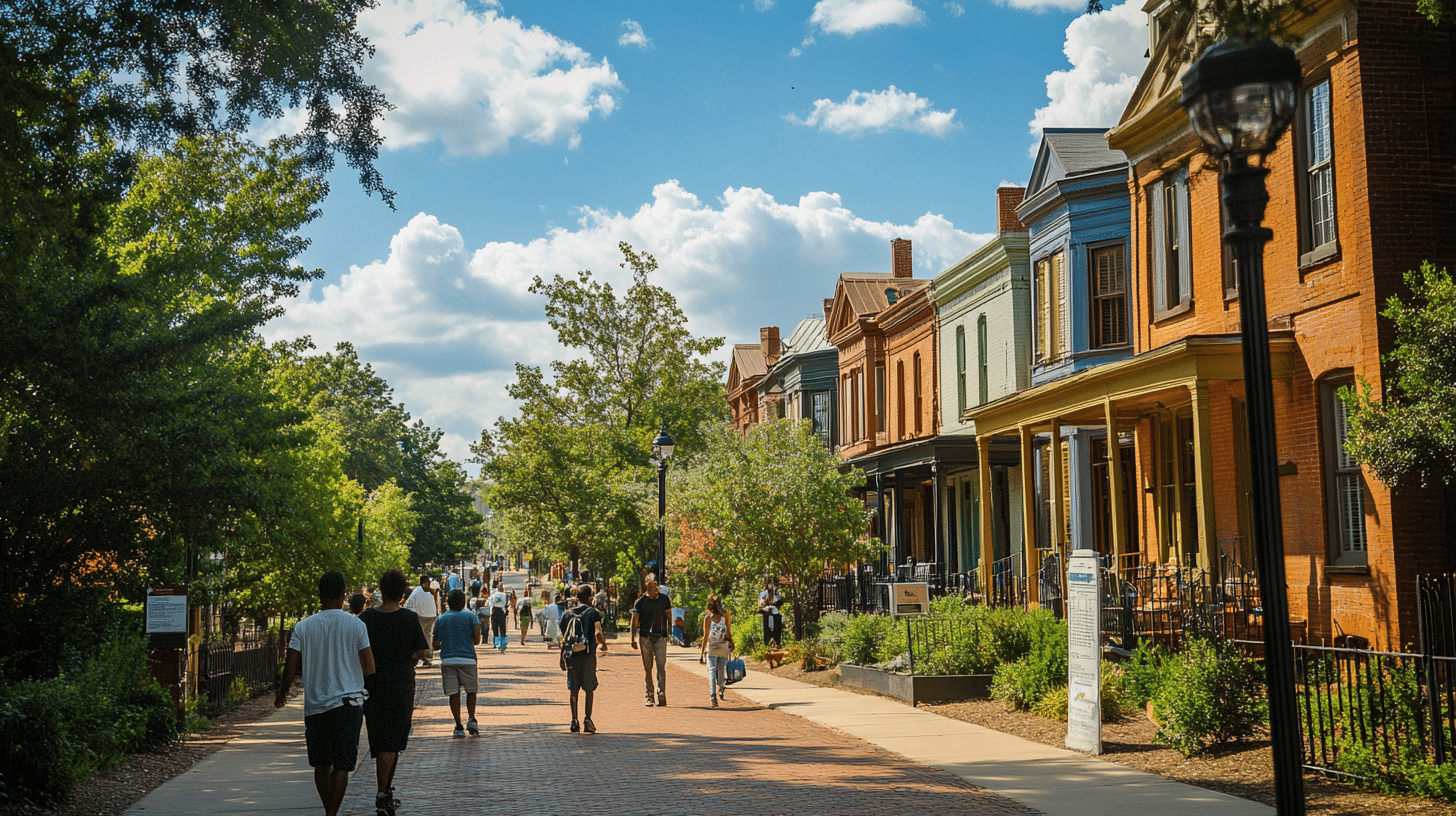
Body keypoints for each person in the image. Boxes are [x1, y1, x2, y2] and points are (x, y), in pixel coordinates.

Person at [274, 571, 374, 816]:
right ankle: (331, 814)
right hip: (348, 705)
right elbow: (370, 667)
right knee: (342, 765)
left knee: (321, 763)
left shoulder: (303, 627)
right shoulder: (356, 624)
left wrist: (282, 692)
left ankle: (329, 811)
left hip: (316, 706)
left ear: (319, 595)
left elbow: (290, 668)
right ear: (343, 594)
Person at [359, 569, 430, 816]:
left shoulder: (366, 618)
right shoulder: (409, 618)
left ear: (381, 590)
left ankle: (386, 791)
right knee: (394, 741)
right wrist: (410, 655)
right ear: (402, 594)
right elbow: (424, 652)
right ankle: (381, 793)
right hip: (401, 686)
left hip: (373, 686)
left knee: (381, 741)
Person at [432, 589, 483, 738]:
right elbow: (477, 638)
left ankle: (458, 725)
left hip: (448, 660)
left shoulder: (441, 619)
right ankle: (472, 719)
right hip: (468, 659)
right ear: (463, 602)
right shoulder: (471, 616)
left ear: (448, 602)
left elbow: (435, 643)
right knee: (471, 691)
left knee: (453, 693)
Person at [559, 583, 605, 733]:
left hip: (572, 656)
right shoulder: (593, 613)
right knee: (589, 688)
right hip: (588, 656)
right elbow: (598, 631)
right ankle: (588, 719)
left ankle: (574, 719)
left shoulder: (567, 614)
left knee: (573, 688)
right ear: (590, 597)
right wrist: (602, 644)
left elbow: (564, 638)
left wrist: (562, 657)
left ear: (577, 597)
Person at [631, 577, 672, 707]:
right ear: (646, 586)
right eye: (651, 584)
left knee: (661, 666)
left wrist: (668, 633)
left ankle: (661, 693)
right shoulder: (640, 602)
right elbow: (634, 620)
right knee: (648, 668)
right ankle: (649, 695)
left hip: (660, 637)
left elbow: (669, 616)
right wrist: (632, 638)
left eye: (655, 584)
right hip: (645, 638)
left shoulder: (664, 599)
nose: (654, 587)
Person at [698, 595, 733, 707]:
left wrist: (702, 652)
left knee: (712, 671)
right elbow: (728, 632)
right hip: (722, 646)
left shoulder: (708, 618)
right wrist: (732, 643)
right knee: (721, 669)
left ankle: (713, 694)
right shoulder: (724, 617)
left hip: (712, 647)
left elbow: (705, 636)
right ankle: (721, 689)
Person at [404, 575, 438, 667]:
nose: (429, 584)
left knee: (426, 636)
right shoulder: (418, 591)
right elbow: (409, 606)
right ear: (424, 583)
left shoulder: (426, 592)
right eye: (428, 582)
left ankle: (426, 656)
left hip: (427, 617)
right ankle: (423, 656)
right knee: (424, 636)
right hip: (422, 617)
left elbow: (408, 605)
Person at [758, 579, 784, 648]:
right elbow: (760, 603)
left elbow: (780, 602)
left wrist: (777, 603)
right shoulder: (763, 593)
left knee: (778, 622)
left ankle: (777, 641)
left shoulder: (777, 593)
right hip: (766, 611)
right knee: (766, 625)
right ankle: (767, 642)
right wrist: (765, 601)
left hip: (775, 611)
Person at [486, 582, 509, 651]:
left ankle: (496, 644)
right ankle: (503, 645)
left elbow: (488, 604)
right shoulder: (504, 595)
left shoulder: (492, 596)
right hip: (501, 612)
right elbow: (506, 604)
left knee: (495, 629)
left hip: (494, 612)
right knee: (503, 629)